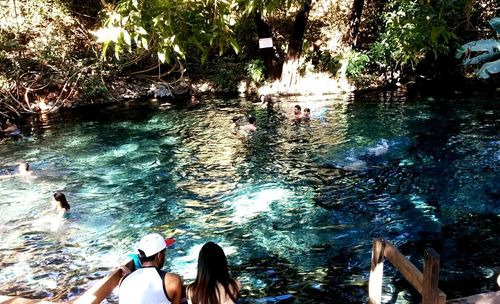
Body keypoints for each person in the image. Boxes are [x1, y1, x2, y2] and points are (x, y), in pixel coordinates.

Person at [119, 233, 183, 304]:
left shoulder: (124, 280)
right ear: (159, 255)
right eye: (164, 252)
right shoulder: (173, 280)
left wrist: (130, 275)